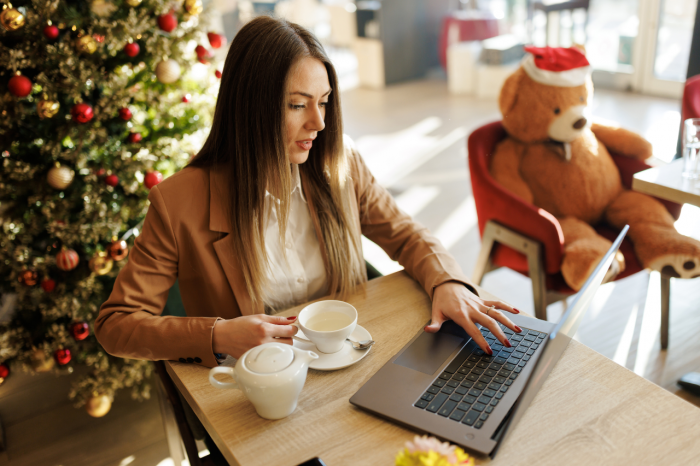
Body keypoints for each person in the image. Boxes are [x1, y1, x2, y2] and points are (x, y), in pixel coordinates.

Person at [94, 16, 522, 367]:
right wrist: (219, 333)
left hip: (350, 362)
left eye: (324, 101)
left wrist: (447, 281)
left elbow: (405, 234)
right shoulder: (178, 202)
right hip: (260, 383)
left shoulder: (340, 163)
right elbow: (116, 325)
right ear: (251, 108)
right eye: (297, 105)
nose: (318, 123)